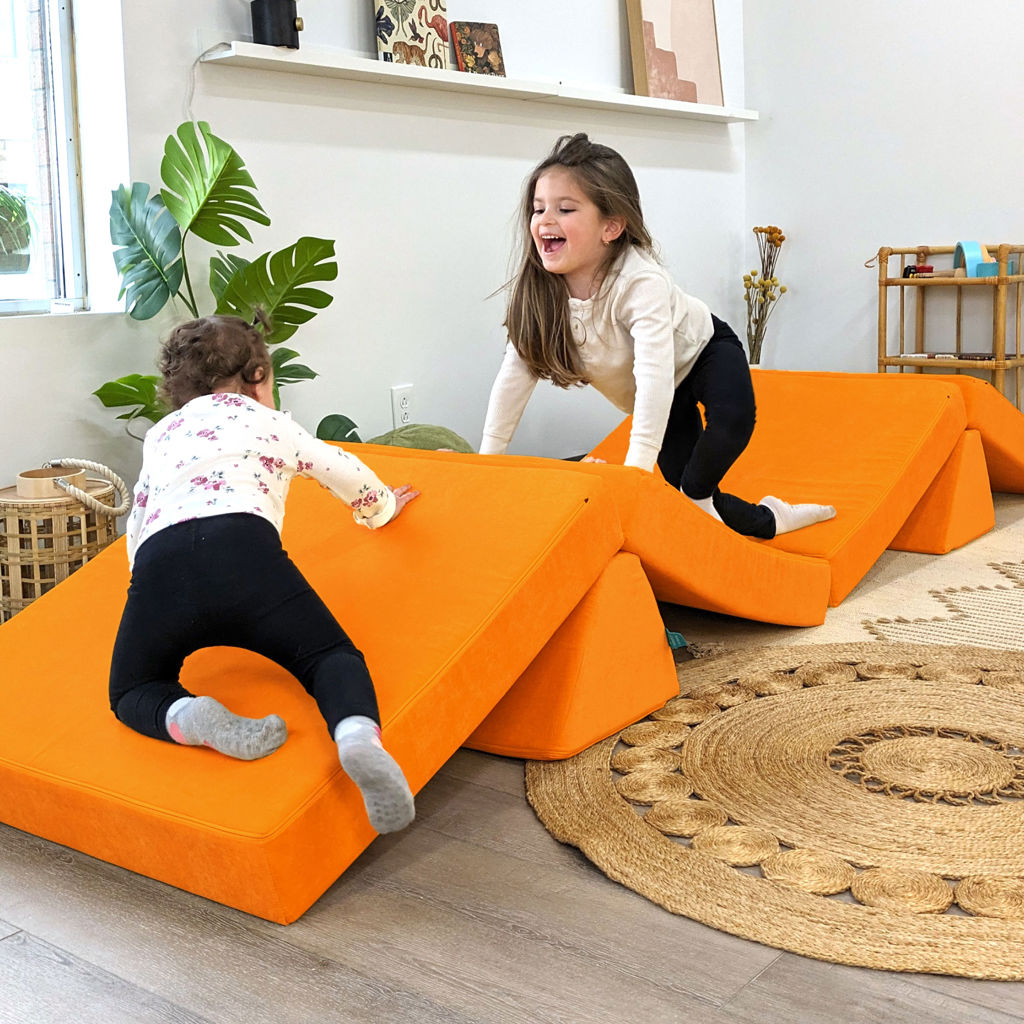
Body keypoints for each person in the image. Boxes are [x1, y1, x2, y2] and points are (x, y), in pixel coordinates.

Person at [109, 312, 417, 834]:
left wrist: (144, 585)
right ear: (257, 377)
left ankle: (189, 718)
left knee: (132, 689)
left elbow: (140, 512)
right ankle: (356, 737)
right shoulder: (271, 422)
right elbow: (339, 468)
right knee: (329, 657)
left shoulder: (161, 435)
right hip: (246, 557)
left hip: (161, 567)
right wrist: (380, 509)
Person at [479, 133, 835, 539]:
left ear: (611, 226)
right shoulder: (539, 294)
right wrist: (488, 463)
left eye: (565, 209)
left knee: (730, 425)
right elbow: (514, 377)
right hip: (663, 394)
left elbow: (653, 375)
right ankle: (772, 519)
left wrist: (636, 472)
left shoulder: (640, 280)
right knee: (690, 502)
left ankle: (702, 494)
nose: (544, 220)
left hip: (703, 351)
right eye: (538, 208)